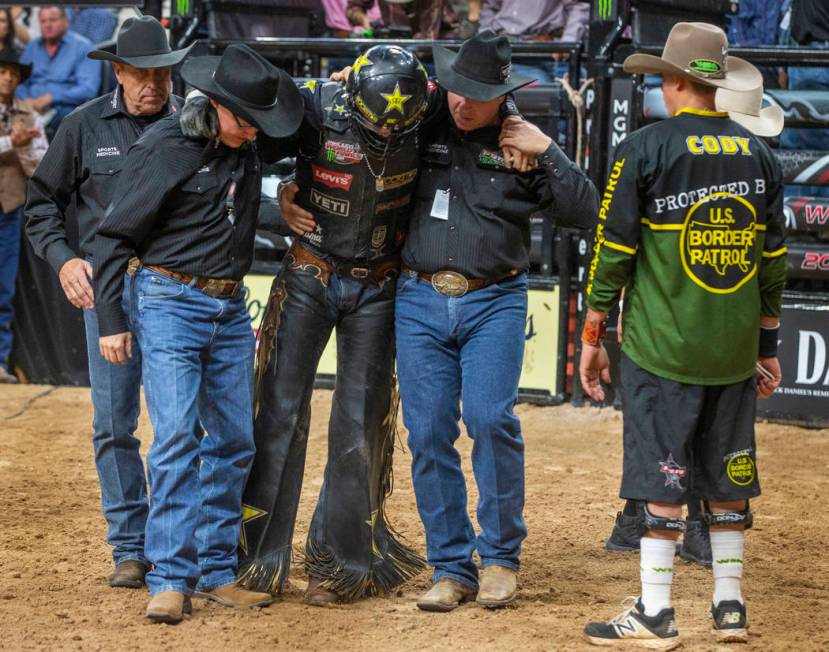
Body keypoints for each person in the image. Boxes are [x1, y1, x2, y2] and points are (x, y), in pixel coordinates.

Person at [579, 23, 786, 648]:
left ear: (673, 82)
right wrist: (766, 349)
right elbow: (773, 263)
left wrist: (592, 330)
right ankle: (728, 606)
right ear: (713, 82)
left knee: (661, 477)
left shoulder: (642, 149)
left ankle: (656, 610)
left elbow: (612, 251)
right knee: (726, 474)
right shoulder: (761, 154)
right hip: (731, 348)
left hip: (661, 346)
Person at [92, 44, 303, 624]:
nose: (254, 132)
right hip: (167, 301)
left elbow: (298, 124)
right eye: (245, 120)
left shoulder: (242, 142)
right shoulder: (165, 147)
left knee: (234, 439)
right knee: (179, 437)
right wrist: (111, 318)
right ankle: (169, 575)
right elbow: (113, 237)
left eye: (260, 123)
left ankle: (213, 571)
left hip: (227, 306)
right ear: (214, 104)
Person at [395, 31, 598, 612]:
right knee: (429, 430)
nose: (462, 102)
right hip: (419, 295)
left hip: (495, 298)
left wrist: (550, 153)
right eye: (457, 88)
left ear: (503, 94)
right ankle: (450, 565)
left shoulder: (526, 143)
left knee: (490, 420)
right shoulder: (424, 117)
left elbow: (584, 212)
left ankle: (501, 558)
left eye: (477, 94)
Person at [25, 16, 193, 591]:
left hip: (178, 292)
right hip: (111, 293)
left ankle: (178, 542)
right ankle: (130, 545)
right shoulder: (82, 126)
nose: (153, 85)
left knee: (181, 426)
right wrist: (65, 259)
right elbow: (41, 202)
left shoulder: (196, 126)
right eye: (140, 74)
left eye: (161, 75)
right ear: (117, 71)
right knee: (114, 423)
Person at [0, 50, 47, 384]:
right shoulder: (22, 120)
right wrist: (9, 142)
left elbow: (42, 166)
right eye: (2, 72)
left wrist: (23, 148)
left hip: (10, 208)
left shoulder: (28, 115)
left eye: (13, 74)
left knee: (3, 288)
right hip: (10, 208)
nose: (7, 78)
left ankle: (0, 361)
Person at [16, 6, 101, 138]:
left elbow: (88, 89)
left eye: (53, 20)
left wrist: (51, 98)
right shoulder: (33, 46)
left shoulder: (84, 47)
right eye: (43, 21)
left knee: (65, 119)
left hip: (64, 109)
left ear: (65, 21)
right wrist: (27, 100)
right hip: (29, 107)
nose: (48, 25)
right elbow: (19, 80)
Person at [479, 0, 589, 82]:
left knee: (576, 86)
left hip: (550, 49)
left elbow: (578, 6)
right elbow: (489, 7)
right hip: (505, 49)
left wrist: (568, 41)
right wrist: (487, 39)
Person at [347, 0, 459, 39]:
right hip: (400, 43)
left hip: (438, 49)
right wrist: (364, 19)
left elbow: (427, 39)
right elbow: (353, 8)